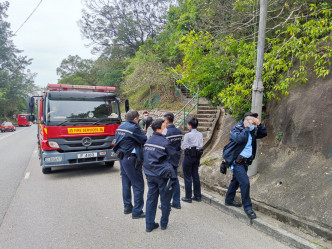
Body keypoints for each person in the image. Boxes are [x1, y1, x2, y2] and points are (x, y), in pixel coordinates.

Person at [223, 112, 267, 219]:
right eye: (253, 122)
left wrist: (259, 124)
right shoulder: (236, 129)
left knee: (236, 181)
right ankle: (248, 208)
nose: (254, 125)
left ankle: (229, 200)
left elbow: (263, 133)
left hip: (246, 161)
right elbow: (240, 139)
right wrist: (247, 128)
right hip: (236, 162)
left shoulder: (253, 129)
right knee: (245, 183)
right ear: (246, 121)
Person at [143, 119, 177, 232]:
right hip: (163, 176)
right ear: (158, 129)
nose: (165, 128)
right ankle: (163, 224)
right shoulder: (165, 142)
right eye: (164, 126)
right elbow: (173, 159)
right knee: (165, 200)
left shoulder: (148, 141)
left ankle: (149, 225)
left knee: (151, 200)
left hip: (150, 175)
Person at [113, 110, 147, 219]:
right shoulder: (135, 127)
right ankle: (137, 211)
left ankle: (127, 206)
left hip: (122, 157)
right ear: (136, 119)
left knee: (126, 182)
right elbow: (143, 139)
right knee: (138, 184)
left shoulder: (120, 127)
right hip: (131, 159)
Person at [162, 112, 183, 209]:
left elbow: (163, 146)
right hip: (176, 157)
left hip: (168, 158)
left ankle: (165, 203)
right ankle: (176, 202)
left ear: (166, 121)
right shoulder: (179, 131)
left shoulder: (165, 132)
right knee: (175, 179)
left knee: (167, 180)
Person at [181, 117, 203, 203]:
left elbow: (183, 146)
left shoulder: (188, 135)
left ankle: (188, 197)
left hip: (189, 155)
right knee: (195, 175)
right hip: (197, 156)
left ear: (189, 126)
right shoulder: (200, 134)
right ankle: (197, 196)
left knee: (187, 176)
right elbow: (201, 145)